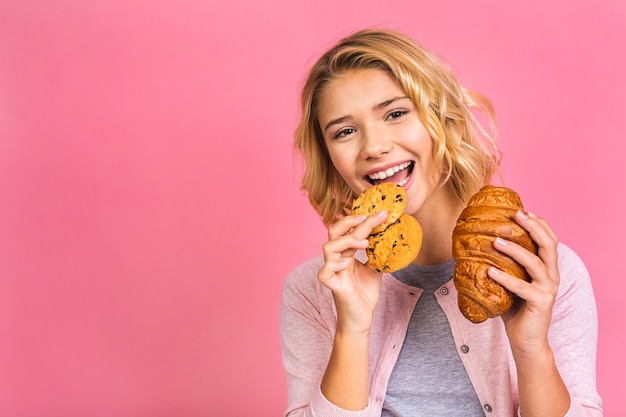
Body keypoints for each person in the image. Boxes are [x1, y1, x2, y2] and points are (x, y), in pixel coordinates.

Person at [280, 28, 602, 417]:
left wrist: (531, 349)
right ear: (329, 155)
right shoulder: (312, 291)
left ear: (441, 119)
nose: (374, 146)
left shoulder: (543, 277)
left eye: (396, 113)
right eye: (345, 131)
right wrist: (352, 329)